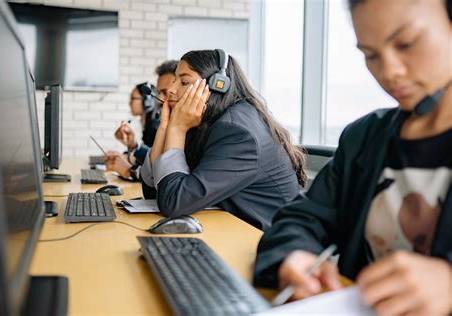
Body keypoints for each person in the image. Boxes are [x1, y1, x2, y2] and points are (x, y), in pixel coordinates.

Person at [254, 0, 452, 314]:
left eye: (407, 43)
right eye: (370, 55)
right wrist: (295, 255)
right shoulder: (365, 138)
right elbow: (300, 218)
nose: (389, 72)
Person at [140, 49, 307, 231]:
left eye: (184, 82)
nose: (172, 90)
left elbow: (174, 202)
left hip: (264, 242)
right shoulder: (206, 124)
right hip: (233, 230)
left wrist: (176, 129)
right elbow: (154, 192)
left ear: (217, 86)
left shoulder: (237, 132)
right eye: (174, 81)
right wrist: (165, 128)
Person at [106, 60, 178, 180]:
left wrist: (130, 168)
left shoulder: (158, 124)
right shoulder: (159, 122)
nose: (159, 98)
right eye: (160, 93)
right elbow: (154, 160)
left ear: (146, 100)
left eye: (132, 99)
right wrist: (133, 146)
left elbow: (160, 167)